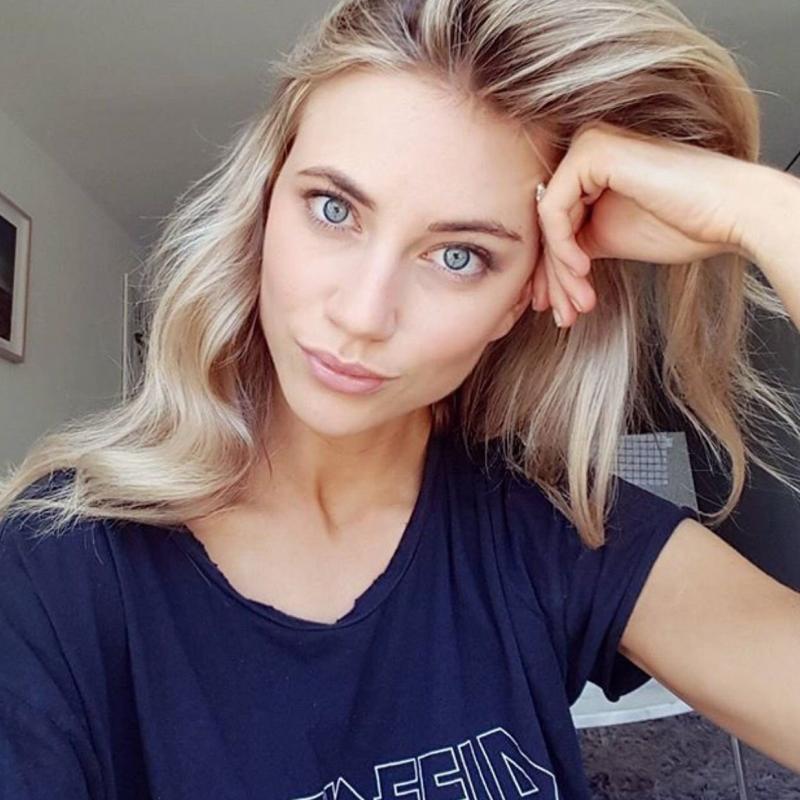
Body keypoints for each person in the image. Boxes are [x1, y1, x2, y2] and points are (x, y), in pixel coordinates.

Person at [1, 0, 799, 796]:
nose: (362, 314)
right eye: (334, 210)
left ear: (518, 299)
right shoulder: (56, 566)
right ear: (264, 205)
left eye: (458, 256)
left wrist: (767, 212)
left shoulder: (553, 531)